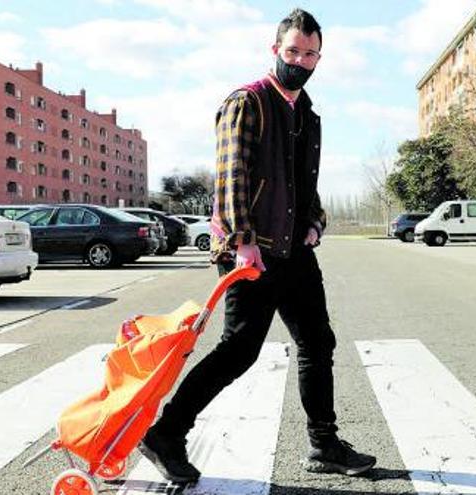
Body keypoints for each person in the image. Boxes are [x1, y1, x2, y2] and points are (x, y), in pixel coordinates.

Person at [137, 8, 377, 484]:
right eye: (293, 52)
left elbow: (305, 182)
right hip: (253, 252)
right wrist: (240, 242)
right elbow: (231, 177)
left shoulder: (308, 113)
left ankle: (324, 443)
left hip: (294, 251)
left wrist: (315, 222)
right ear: (275, 50)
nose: (301, 61)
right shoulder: (248, 102)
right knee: (238, 351)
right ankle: (166, 433)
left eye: (310, 54)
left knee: (317, 343)